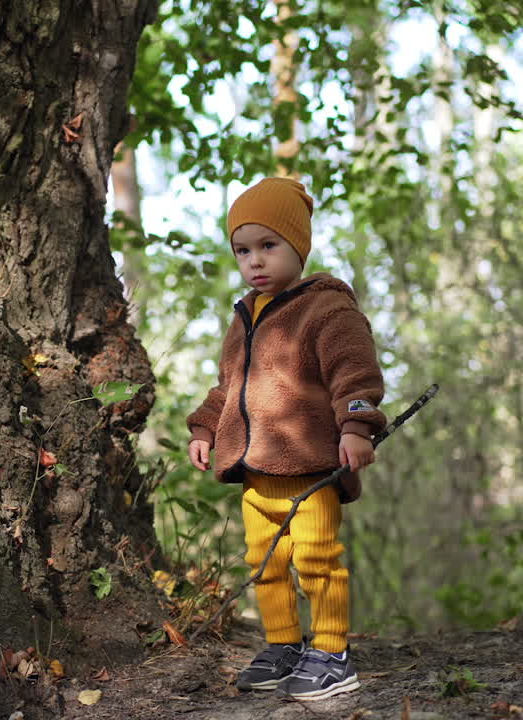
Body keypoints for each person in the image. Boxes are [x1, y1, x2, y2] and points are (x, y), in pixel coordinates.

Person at [186, 177, 388, 701]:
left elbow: (355, 374)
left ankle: (330, 651)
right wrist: (206, 426)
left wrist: (357, 426)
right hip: (256, 470)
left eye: (268, 246)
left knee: (317, 557)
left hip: (310, 466)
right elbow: (229, 384)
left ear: (298, 245)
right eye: (243, 250)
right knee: (265, 560)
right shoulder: (244, 317)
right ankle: (282, 645)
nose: (255, 261)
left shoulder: (326, 310)